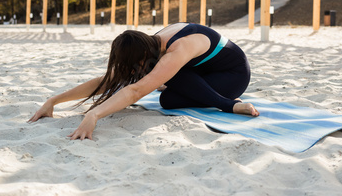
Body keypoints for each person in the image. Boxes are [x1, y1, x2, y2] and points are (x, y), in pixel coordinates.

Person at [28, 22, 258, 140]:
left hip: (233, 76)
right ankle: (219, 98)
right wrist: (54, 100)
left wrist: (94, 114)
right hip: (204, 74)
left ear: (141, 56)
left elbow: (135, 91)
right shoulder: (150, 45)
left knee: (173, 75)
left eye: (134, 65)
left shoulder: (176, 48)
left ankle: (231, 104)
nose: (133, 71)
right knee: (168, 100)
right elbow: (109, 80)